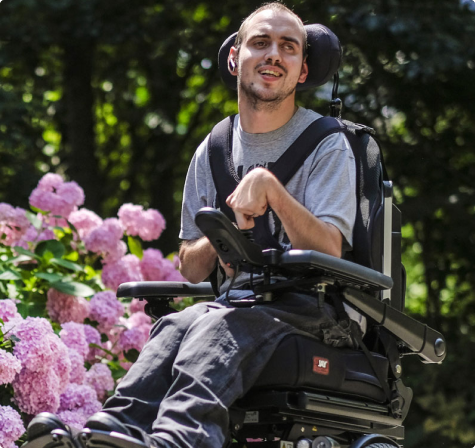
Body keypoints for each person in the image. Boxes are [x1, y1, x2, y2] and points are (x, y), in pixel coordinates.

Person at [26, 3, 357, 448]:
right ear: (235, 57)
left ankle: (180, 441)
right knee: (175, 327)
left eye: (288, 47)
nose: (274, 54)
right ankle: (110, 433)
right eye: (261, 42)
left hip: (311, 310)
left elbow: (332, 249)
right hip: (239, 301)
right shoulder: (214, 148)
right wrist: (225, 235)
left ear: (302, 71)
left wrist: (271, 190)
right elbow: (190, 267)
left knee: (218, 325)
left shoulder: (329, 143)